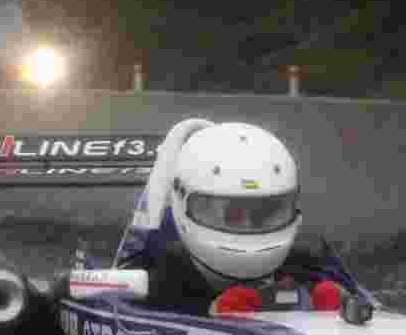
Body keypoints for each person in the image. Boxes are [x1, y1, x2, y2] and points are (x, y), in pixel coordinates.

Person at [113, 117, 341, 315]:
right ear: (182, 203)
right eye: (233, 215)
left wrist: (332, 306)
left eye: (266, 213)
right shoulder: (164, 277)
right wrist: (213, 313)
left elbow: (362, 308)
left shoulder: (305, 264)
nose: (249, 226)